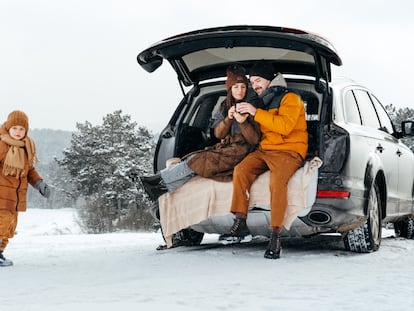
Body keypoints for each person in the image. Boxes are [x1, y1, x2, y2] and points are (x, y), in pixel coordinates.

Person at [139, 64, 261, 201]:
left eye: (243, 87)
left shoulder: (252, 106)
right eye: (236, 87)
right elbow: (218, 134)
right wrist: (228, 119)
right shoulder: (225, 106)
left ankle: (157, 180)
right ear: (230, 88)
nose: (240, 91)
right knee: (194, 160)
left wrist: (243, 122)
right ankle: (161, 189)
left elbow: (254, 139)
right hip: (227, 148)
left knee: (197, 161)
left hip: (243, 151)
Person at [224, 61, 308, 260]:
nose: (255, 86)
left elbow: (284, 126)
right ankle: (240, 220)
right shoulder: (261, 100)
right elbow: (258, 130)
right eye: (252, 82)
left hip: (290, 150)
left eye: (258, 80)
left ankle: (275, 235)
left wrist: (255, 112)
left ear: (270, 79)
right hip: (266, 149)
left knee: (277, 182)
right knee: (241, 170)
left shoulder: (290, 98)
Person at [0, 110, 51, 267]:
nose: (18, 132)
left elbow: (29, 171)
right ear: (8, 127)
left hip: (15, 197)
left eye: (22, 129)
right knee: (2, 224)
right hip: (2, 194)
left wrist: (39, 183)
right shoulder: (2, 145)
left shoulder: (26, 148)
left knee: (9, 227)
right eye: (14, 128)